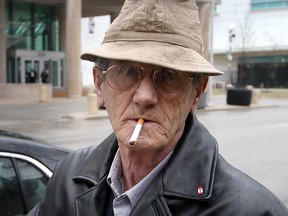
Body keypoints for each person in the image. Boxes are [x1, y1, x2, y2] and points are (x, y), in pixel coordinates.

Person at [27, 0, 288, 215]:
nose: (144, 97)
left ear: (196, 92)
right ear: (99, 84)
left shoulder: (251, 210)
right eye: (127, 71)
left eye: (168, 76)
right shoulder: (68, 177)